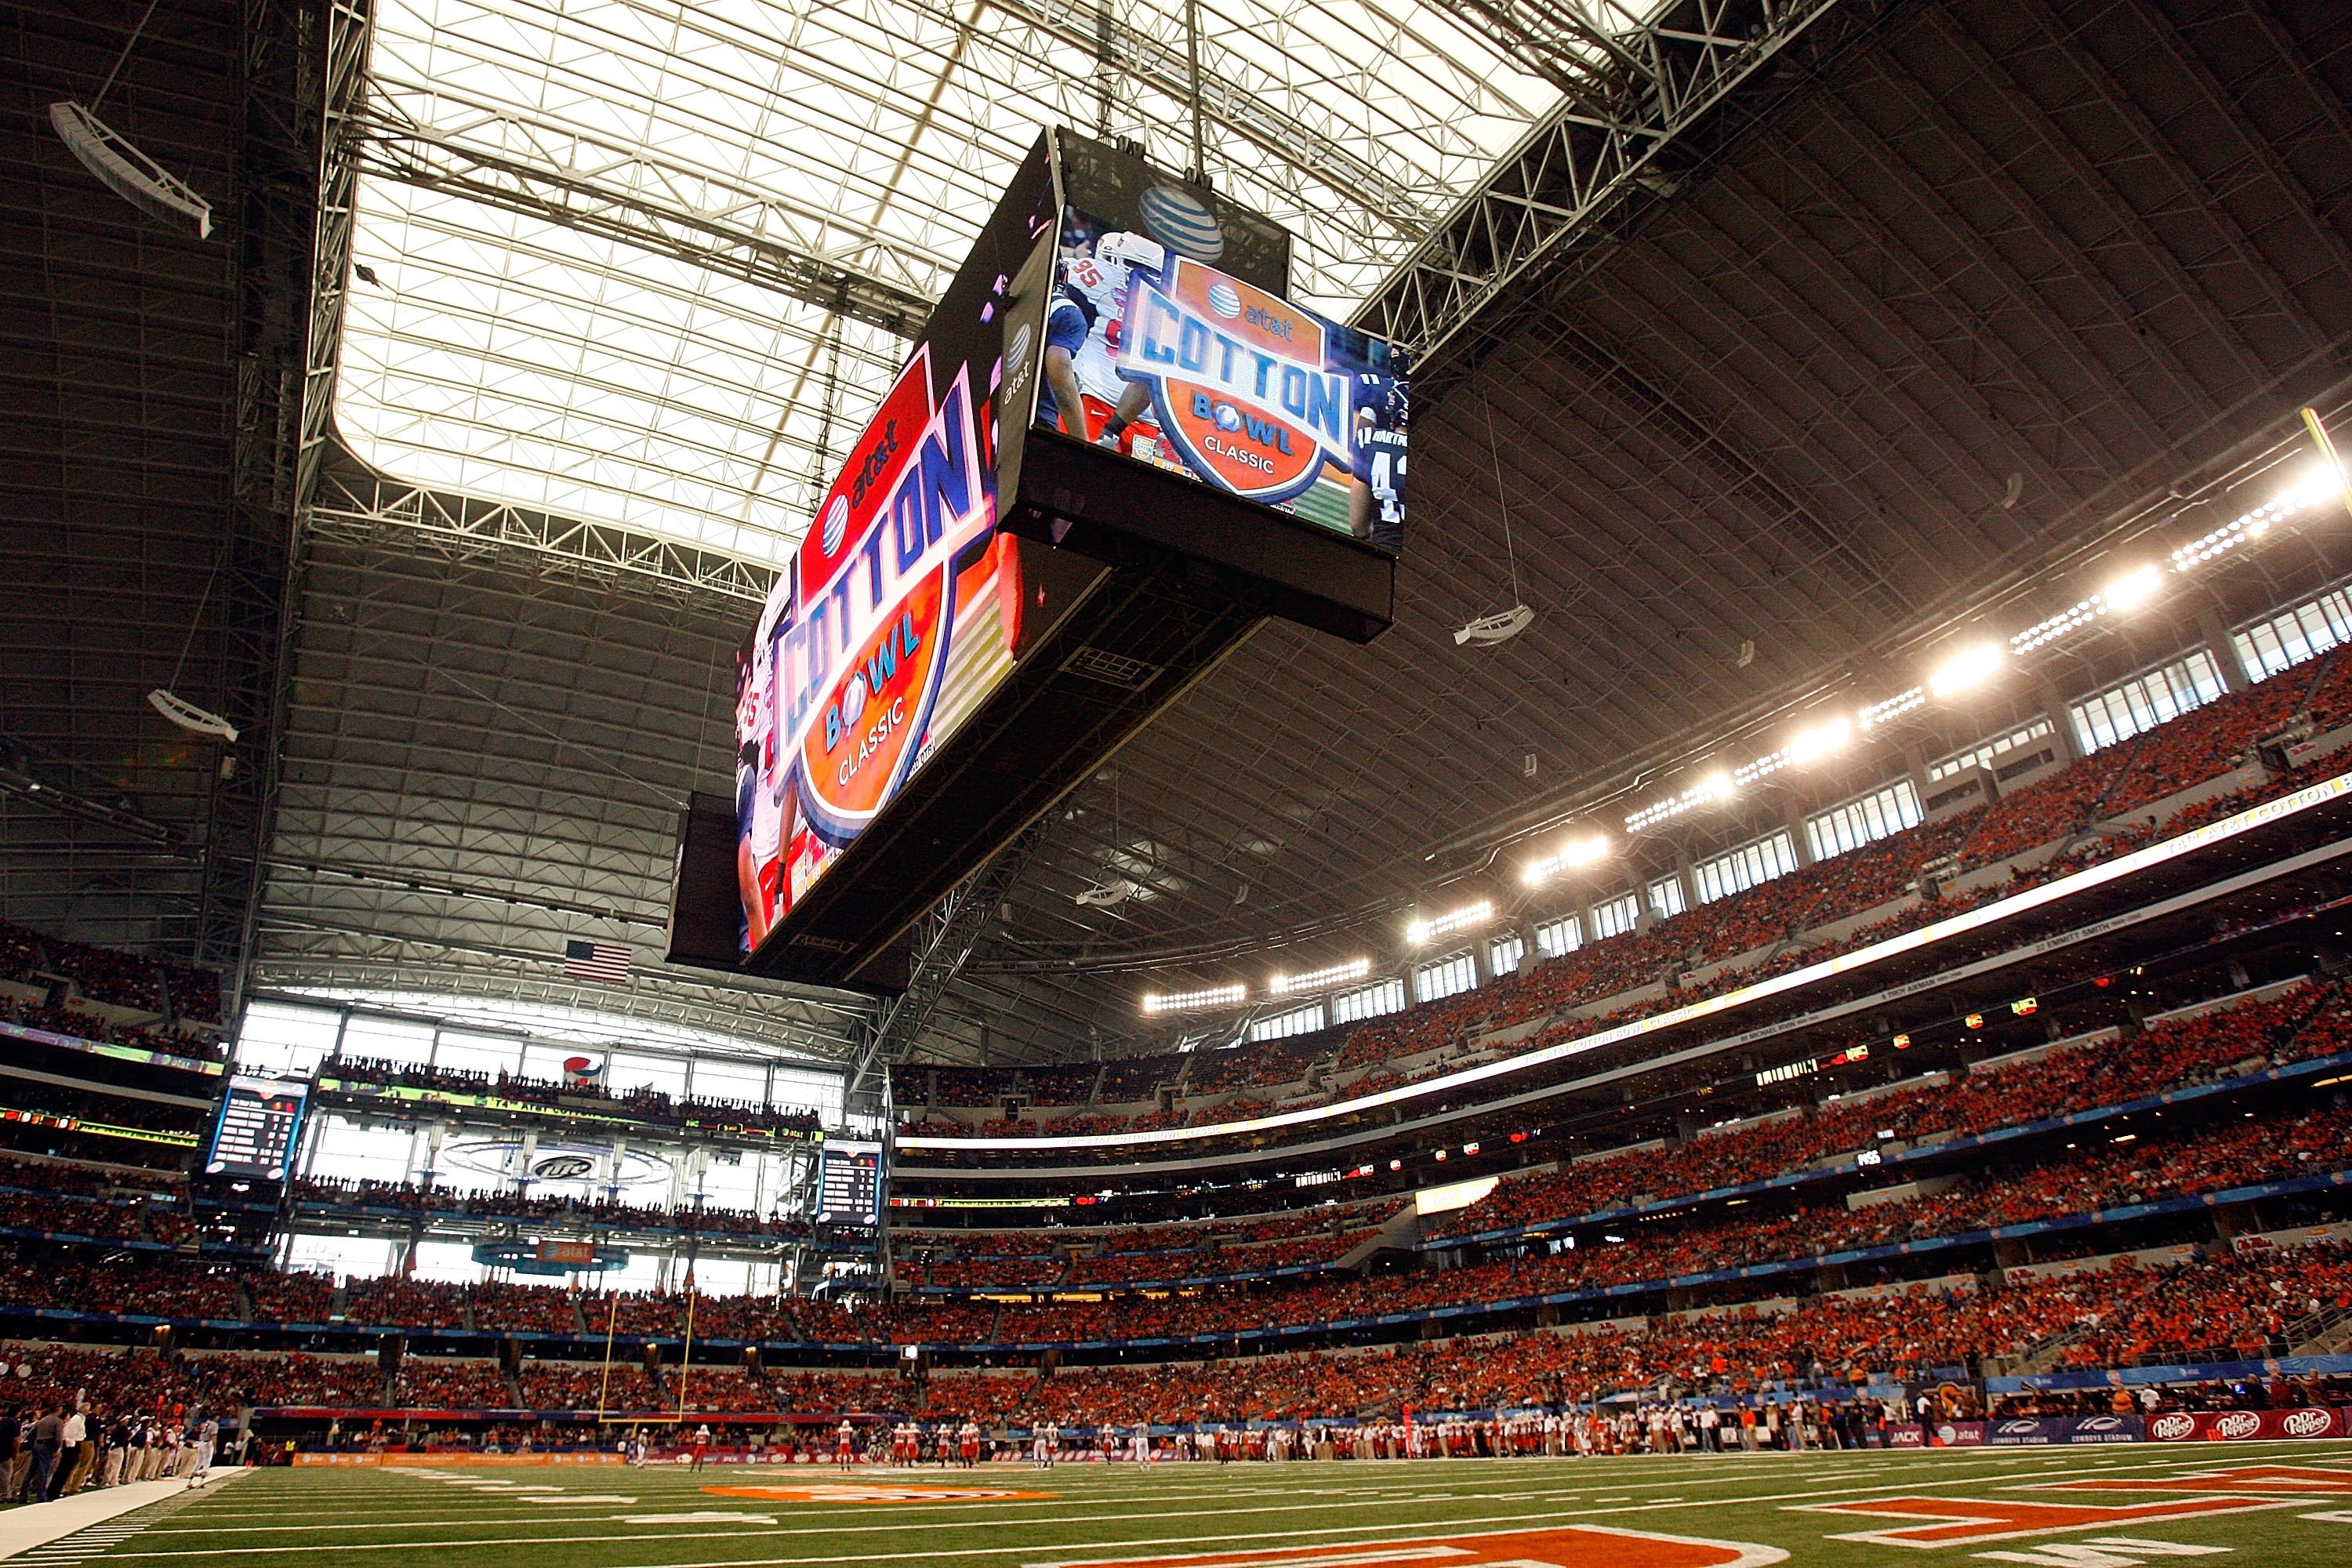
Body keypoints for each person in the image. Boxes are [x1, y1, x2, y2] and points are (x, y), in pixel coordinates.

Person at [20, 1406, 59, 1504]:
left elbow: (29, 1434)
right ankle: (41, 1496)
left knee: (30, 1472)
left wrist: (36, 1442)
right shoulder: (57, 1421)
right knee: (44, 1471)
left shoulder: (41, 1421)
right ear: (59, 1410)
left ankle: (23, 1496)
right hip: (47, 1446)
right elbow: (58, 1438)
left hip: (37, 1445)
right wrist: (57, 1449)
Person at [185, 1415, 216, 1490]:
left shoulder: (203, 1424)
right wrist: (215, 1447)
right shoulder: (214, 1425)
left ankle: (190, 1482)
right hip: (207, 1443)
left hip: (201, 1442)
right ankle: (201, 1482)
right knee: (206, 1463)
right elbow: (214, 1437)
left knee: (198, 1462)